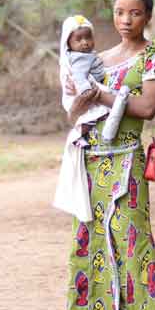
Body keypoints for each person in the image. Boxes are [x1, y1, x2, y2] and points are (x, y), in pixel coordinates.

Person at [57, 0, 155, 310]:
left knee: (133, 245)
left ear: (148, 16)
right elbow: (75, 111)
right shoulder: (99, 59)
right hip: (90, 163)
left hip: (126, 161)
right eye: (120, 12)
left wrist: (103, 95)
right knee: (87, 247)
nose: (126, 20)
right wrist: (78, 97)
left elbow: (146, 107)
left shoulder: (153, 55)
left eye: (135, 13)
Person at [53, 15, 129, 222]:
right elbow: (79, 79)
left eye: (88, 38)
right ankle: (91, 130)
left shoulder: (93, 55)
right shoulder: (77, 58)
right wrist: (87, 91)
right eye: (79, 39)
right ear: (68, 42)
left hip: (93, 96)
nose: (85, 42)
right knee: (110, 104)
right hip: (88, 93)